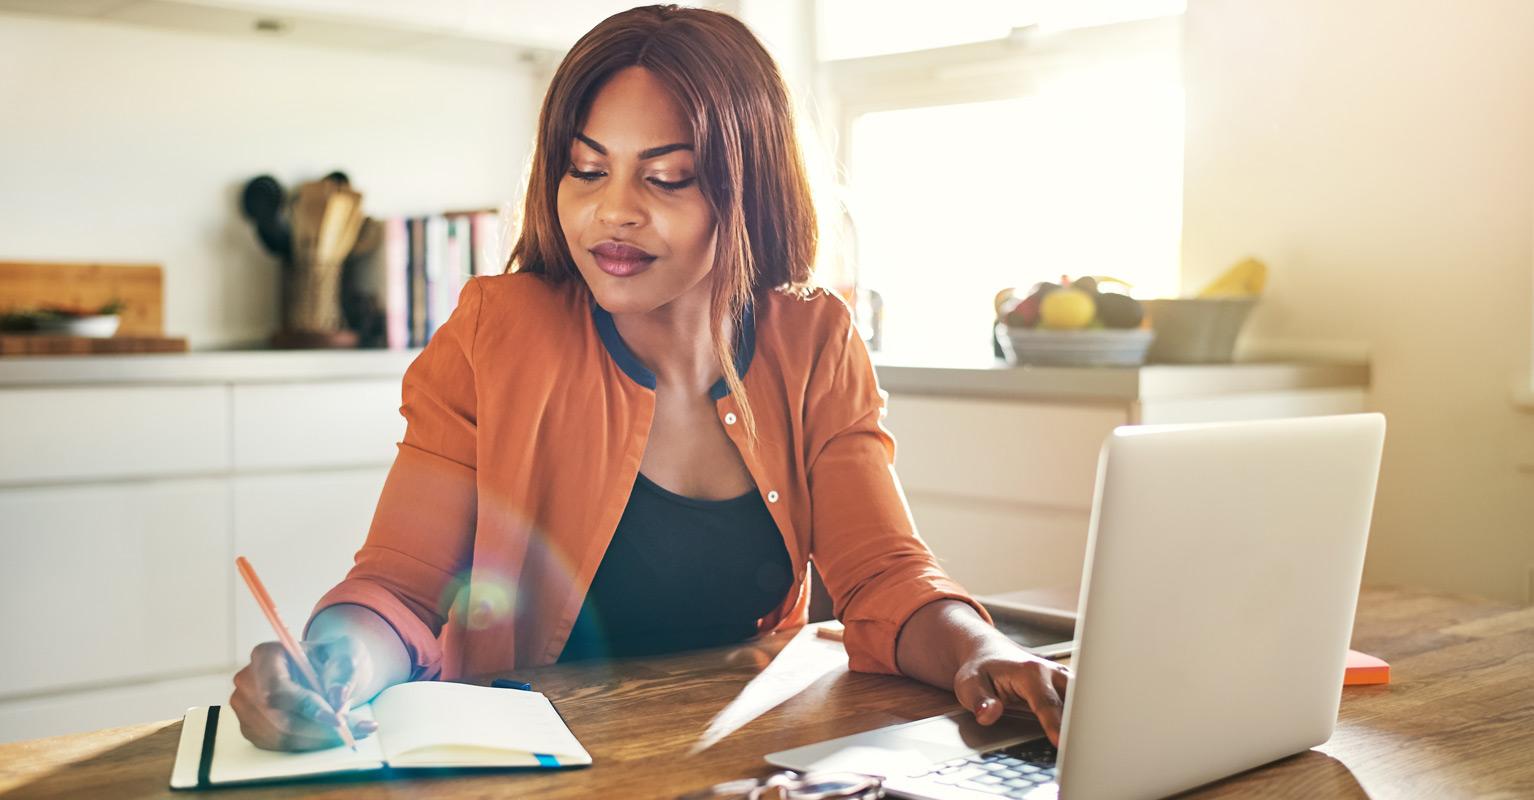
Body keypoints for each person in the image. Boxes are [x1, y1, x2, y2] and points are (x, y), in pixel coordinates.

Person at [230, 4, 1070, 753]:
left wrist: (982, 650)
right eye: (586, 170)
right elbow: (400, 589)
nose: (613, 211)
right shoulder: (495, 331)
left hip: (735, 758)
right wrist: (332, 659)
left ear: (749, 190)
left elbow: (884, 576)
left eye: (666, 177)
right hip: (524, 769)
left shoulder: (813, 338)